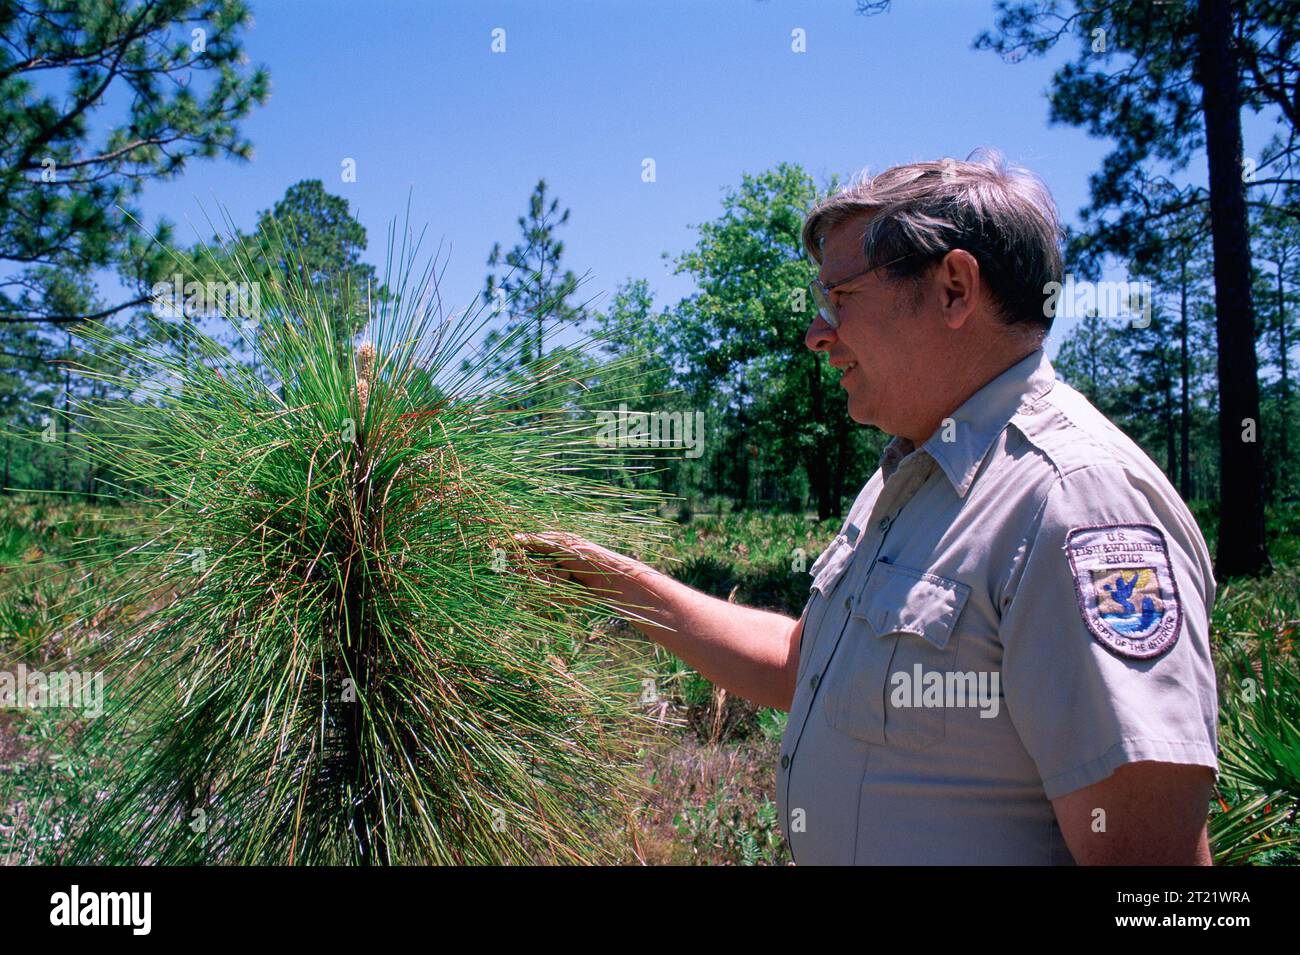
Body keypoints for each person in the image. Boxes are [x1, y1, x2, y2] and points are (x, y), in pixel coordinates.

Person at [519, 151, 1220, 865]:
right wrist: (616, 582)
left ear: (953, 289)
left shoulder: (1076, 500)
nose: (816, 333)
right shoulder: (910, 471)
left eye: (840, 298)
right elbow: (802, 663)